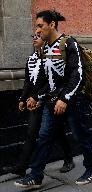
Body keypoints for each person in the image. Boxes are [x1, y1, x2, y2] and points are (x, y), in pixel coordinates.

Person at [14, 10, 92, 189]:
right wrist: (36, 97)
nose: (37, 31)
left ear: (52, 24)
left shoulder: (69, 43)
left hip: (73, 101)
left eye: (40, 26)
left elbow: (78, 75)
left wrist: (65, 98)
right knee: (44, 136)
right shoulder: (44, 48)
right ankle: (36, 176)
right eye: (36, 27)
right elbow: (47, 80)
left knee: (80, 135)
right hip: (52, 101)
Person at [12, 33, 75, 177]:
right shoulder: (31, 59)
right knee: (32, 133)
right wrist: (23, 98)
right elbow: (28, 81)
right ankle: (22, 167)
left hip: (49, 100)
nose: (35, 38)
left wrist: (37, 97)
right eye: (33, 36)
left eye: (38, 36)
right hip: (34, 102)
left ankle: (68, 158)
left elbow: (51, 81)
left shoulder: (51, 56)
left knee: (56, 133)